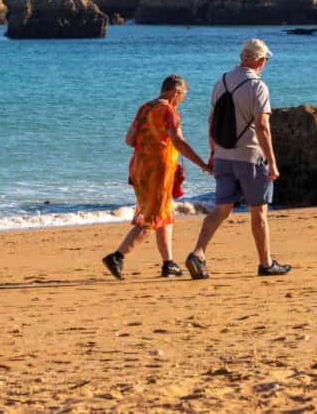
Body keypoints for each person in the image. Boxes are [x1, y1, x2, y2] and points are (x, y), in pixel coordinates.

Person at [186, 38, 292, 279]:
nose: (264, 64)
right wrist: (272, 161)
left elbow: (212, 121)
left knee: (221, 209)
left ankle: (198, 252)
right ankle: (265, 263)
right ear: (259, 60)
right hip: (250, 157)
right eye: (264, 59)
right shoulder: (258, 87)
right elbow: (262, 127)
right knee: (259, 212)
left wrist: (213, 152)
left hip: (223, 156)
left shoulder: (221, 82)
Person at [102, 75, 211, 280]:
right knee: (152, 217)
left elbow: (129, 140)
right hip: (158, 171)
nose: (183, 100)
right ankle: (117, 256)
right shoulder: (169, 112)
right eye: (183, 96)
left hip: (139, 167)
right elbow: (178, 141)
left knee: (165, 212)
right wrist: (202, 164)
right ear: (175, 92)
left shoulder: (144, 108)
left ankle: (168, 263)